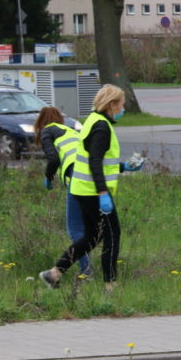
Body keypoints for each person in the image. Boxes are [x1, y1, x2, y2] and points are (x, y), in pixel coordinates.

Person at [39, 85, 142, 291]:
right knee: (112, 234)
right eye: (121, 104)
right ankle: (110, 285)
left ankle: (54, 273)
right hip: (93, 191)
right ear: (112, 105)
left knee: (92, 236)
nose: (123, 108)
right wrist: (103, 192)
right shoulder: (102, 127)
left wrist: (125, 166)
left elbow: (98, 161)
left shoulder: (93, 120)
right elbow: (95, 161)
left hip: (82, 188)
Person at [35, 106, 92, 278]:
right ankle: (90, 271)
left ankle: (86, 273)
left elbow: (53, 158)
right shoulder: (70, 131)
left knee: (75, 229)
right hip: (92, 175)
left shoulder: (47, 130)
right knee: (88, 228)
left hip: (78, 177)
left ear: (40, 121)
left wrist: (48, 177)